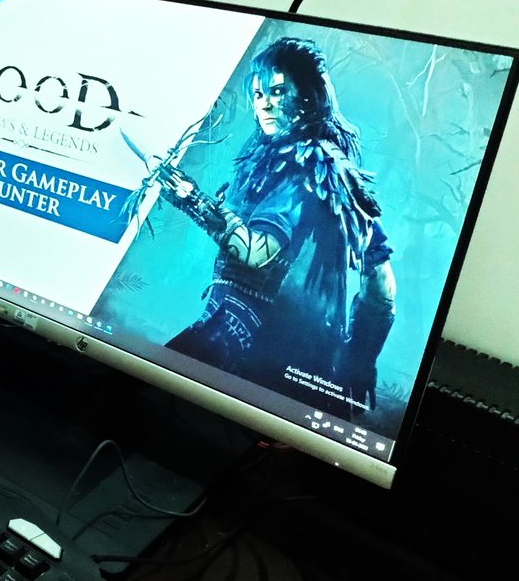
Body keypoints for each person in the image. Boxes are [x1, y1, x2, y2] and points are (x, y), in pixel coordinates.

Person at [151, 37, 397, 413]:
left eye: (278, 91)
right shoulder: (327, 174)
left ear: (309, 96)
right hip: (300, 358)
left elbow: (255, 253)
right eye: (258, 94)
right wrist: (357, 359)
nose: (264, 103)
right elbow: (382, 287)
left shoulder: (307, 168)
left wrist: (190, 198)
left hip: (253, 342)